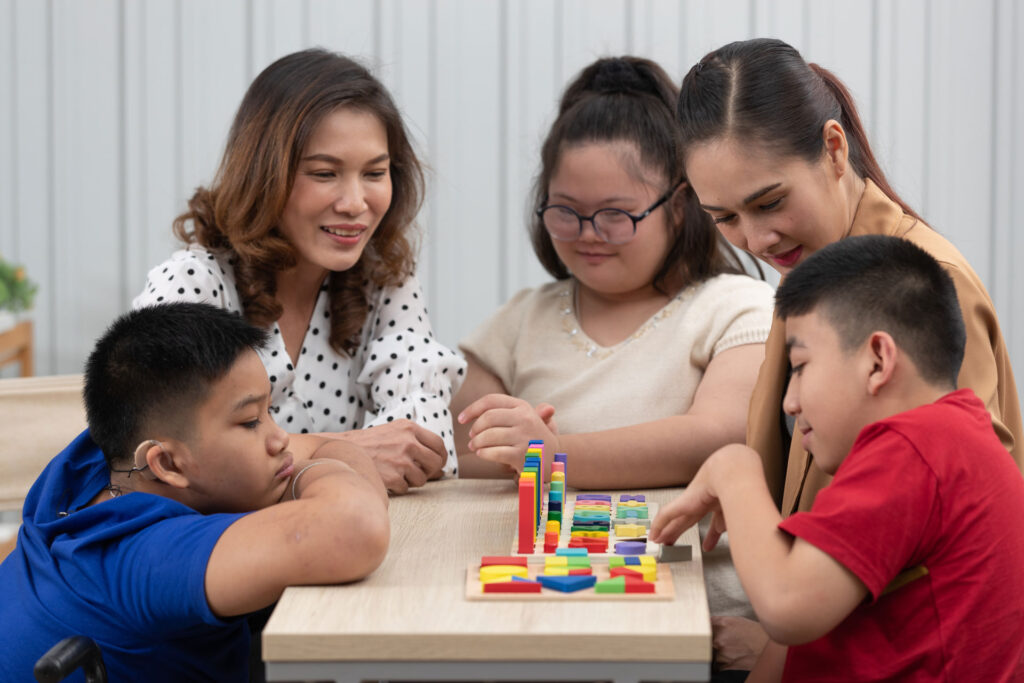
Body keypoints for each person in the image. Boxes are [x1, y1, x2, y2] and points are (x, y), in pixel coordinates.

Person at [676, 37, 1024, 674]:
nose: (756, 239)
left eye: (770, 201)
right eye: (724, 218)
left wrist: (785, 640)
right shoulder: (812, 272)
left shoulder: (922, 283)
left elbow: (964, 540)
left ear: (834, 149)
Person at [651, 235, 1024, 682]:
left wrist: (734, 469)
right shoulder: (956, 435)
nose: (790, 402)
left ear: (877, 361)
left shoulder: (912, 449)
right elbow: (795, 641)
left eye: (801, 367)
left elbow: (787, 607)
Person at [0, 302, 390, 681]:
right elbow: (357, 526)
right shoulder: (147, 556)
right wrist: (340, 462)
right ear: (166, 464)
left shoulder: (92, 463)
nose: (280, 438)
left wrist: (327, 460)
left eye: (269, 411)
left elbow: (311, 454)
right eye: (251, 421)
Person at [134, 48, 465, 493]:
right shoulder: (194, 285)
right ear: (264, 174)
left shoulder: (384, 281)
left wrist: (298, 457)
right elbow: (161, 463)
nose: (354, 204)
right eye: (325, 174)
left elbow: (421, 443)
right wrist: (347, 452)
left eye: (375, 173)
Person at [453, 56, 773, 491]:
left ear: (679, 207)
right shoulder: (519, 323)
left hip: (675, 558)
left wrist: (552, 456)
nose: (588, 234)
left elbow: (721, 437)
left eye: (615, 215)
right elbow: (458, 455)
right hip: (540, 560)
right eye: (566, 211)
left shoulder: (735, 309)